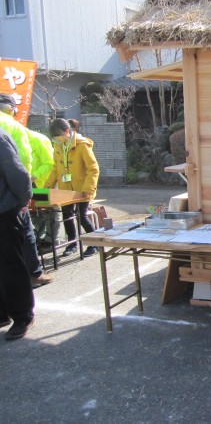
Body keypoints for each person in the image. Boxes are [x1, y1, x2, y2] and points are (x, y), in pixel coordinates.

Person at [0, 93, 51, 286]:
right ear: (12, 109)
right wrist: (25, 195)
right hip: (10, 196)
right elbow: (22, 164)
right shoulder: (14, 127)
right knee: (25, 233)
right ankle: (34, 273)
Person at [45, 119, 100, 258]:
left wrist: (89, 188)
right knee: (67, 217)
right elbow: (55, 169)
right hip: (66, 189)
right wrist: (47, 188)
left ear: (67, 131)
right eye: (55, 138)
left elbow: (93, 169)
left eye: (59, 136)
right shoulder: (58, 146)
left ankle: (95, 243)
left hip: (82, 189)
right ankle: (72, 244)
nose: (57, 140)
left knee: (82, 217)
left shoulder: (82, 145)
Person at [0, 126, 36, 340]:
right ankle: (2, 313)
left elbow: (17, 172)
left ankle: (23, 315)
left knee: (11, 265)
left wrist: (23, 200)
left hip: (4, 212)